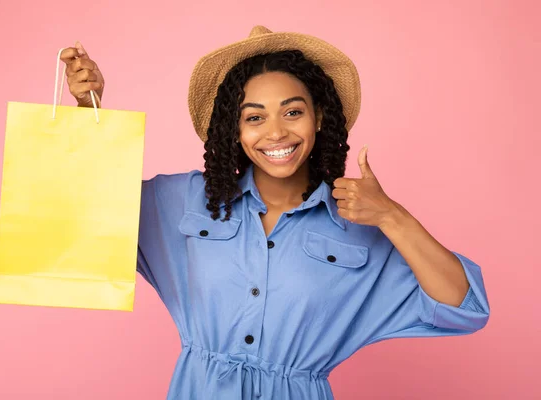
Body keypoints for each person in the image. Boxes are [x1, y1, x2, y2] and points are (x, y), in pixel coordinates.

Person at [60, 26, 490, 400]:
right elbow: (89, 210)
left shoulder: (358, 226)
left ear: (319, 117)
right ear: (235, 129)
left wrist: (393, 216)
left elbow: (465, 307)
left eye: (293, 111)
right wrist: (89, 108)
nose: (276, 132)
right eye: (254, 117)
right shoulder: (185, 199)